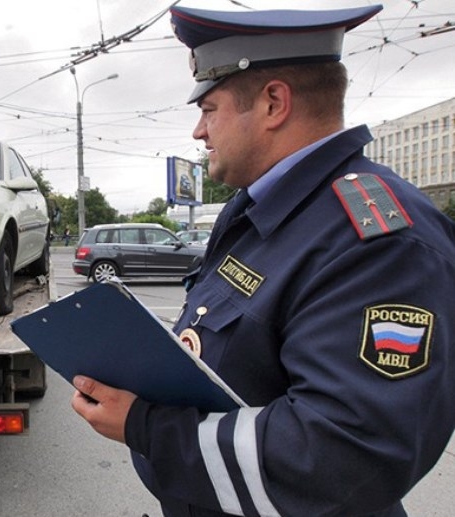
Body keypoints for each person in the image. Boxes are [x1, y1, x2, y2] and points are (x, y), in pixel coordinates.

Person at [70, 5, 455, 516]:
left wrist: (144, 425)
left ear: (274, 103)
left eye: (209, 109)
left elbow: (346, 457)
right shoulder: (264, 207)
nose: (198, 133)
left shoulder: (379, 240)